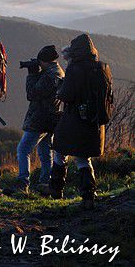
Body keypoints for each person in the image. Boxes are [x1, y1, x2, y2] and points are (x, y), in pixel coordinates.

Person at [50, 34, 106, 209]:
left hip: (74, 119)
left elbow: (66, 95)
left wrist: (60, 87)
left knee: (59, 151)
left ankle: (56, 191)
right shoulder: (101, 68)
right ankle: (89, 195)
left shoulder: (75, 69)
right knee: (83, 158)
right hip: (94, 122)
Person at [15, 46, 65, 193]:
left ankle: (23, 183)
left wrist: (31, 74)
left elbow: (32, 94)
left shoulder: (50, 76)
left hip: (40, 119)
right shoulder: (57, 72)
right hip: (51, 118)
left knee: (23, 149)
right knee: (44, 151)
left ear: (45, 61)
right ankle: (45, 182)